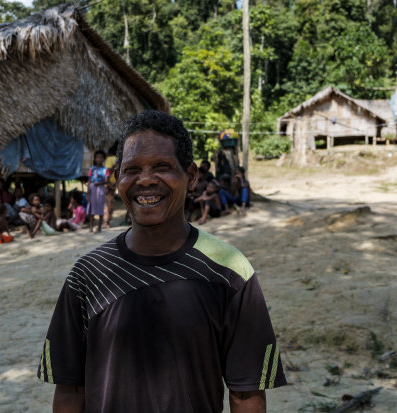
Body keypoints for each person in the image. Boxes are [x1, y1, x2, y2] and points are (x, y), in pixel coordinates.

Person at [37, 110, 286, 412]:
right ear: (117, 180)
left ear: (191, 176)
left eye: (162, 167)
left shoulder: (230, 272)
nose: (145, 180)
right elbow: (70, 390)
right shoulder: (88, 275)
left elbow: (245, 395)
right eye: (131, 170)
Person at [87, 150, 110, 233]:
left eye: (101, 157)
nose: (99, 159)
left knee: (100, 206)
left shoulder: (105, 169)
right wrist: (87, 193)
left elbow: (107, 181)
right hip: (92, 188)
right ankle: (91, 227)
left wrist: (100, 183)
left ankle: (99, 227)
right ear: (95, 158)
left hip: (100, 188)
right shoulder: (91, 169)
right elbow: (89, 181)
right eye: (97, 157)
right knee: (91, 207)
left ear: (103, 159)